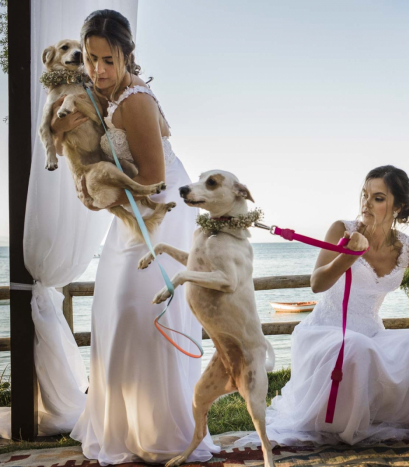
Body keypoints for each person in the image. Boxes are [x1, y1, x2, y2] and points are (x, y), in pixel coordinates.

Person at [237, 165, 409, 447]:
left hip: (370, 332)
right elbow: (317, 283)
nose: (366, 203)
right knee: (357, 346)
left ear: (398, 207)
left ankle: (401, 421)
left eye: (378, 198)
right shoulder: (342, 229)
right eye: (365, 195)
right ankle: (344, 424)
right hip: (325, 332)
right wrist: (348, 255)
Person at [50, 10, 219, 463]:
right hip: (131, 210)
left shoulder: (134, 100)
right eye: (91, 58)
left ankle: (162, 432)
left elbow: (154, 176)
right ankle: (124, 428)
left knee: (138, 314)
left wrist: (100, 192)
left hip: (159, 208)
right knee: (113, 311)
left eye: (109, 59)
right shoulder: (100, 93)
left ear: (127, 55)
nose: (99, 69)